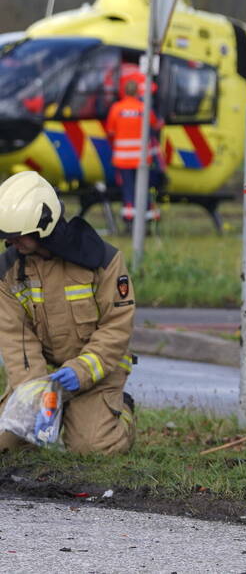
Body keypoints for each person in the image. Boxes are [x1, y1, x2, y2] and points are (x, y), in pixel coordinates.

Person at [0, 171, 136, 454]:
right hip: (44, 375)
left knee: (92, 446)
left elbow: (117, 327)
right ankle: (59, 415)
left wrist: (82, 370)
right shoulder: (9, 273)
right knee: (8, 443)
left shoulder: (103, 260)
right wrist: (33, 393)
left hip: (97, 372)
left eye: (17, 236)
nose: (11, 244)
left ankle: (120, 411)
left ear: (43, 226)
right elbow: (16, 339)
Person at [105, 74, 164, 225]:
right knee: (143, 189)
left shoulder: (116, 109)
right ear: (138, 92)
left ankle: (129, 219)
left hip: (123, 159)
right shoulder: (144, 109)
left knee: (128, 189)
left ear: (124, 91)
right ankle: (148, 218)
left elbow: (110, 132)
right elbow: (155, 126)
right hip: (141, 159)